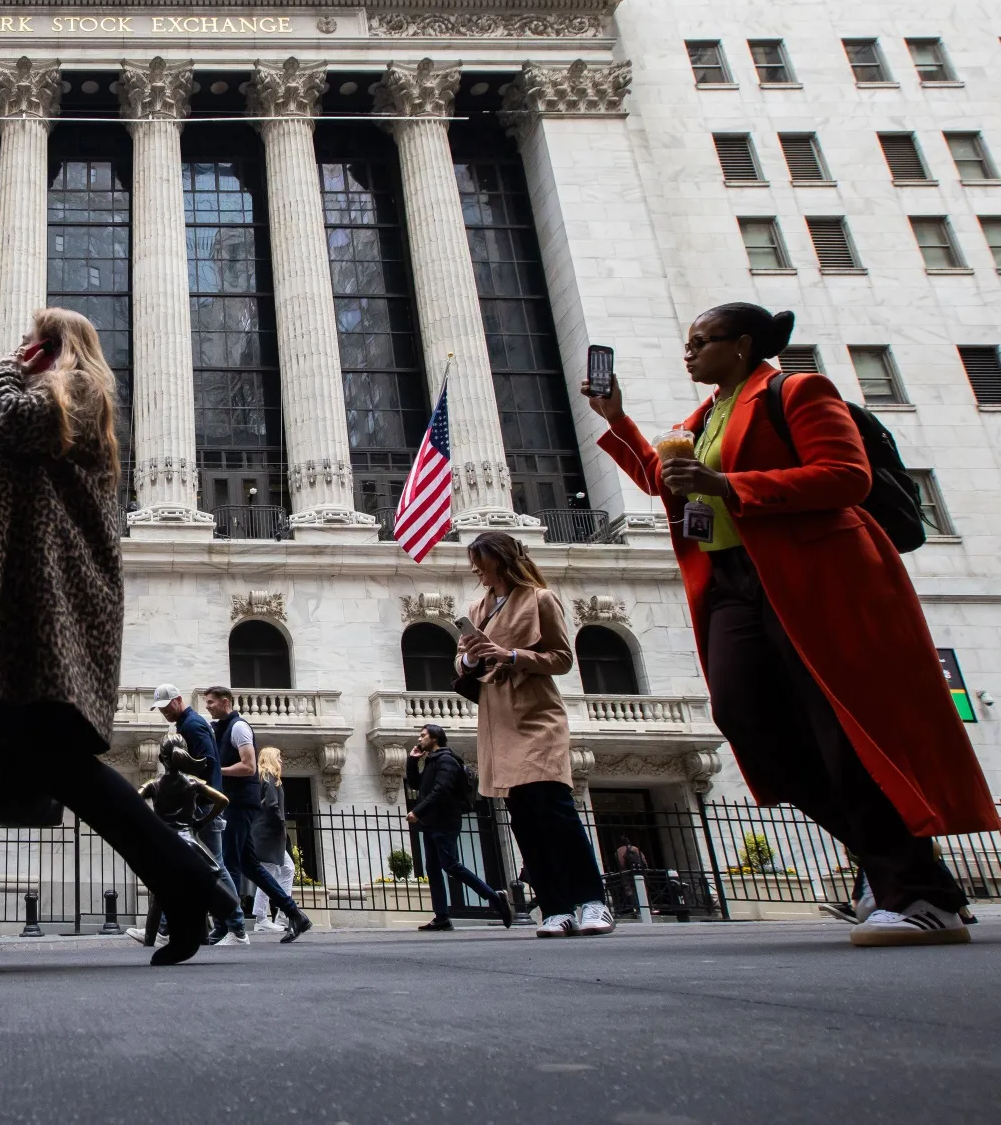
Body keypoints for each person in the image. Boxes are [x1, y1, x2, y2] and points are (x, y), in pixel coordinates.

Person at [587, 302, 998, 945]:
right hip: (731, 583)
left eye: (702, 341)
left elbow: (847, 476)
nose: (689, 351)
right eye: (689, 342)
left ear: (743, 344)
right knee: (747, 719)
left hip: (811, 576)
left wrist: (728, 485)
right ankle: (901, 868)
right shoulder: (704, 415)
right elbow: (665, 484)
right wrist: (618, 422)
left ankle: (917, 893)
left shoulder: (797, 390)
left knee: (837, 728)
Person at [0, 308, 233, 974]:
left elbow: (8, 421)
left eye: (38, 342)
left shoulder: (73, 396)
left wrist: (12, 371)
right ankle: (184, 884)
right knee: (0, 758)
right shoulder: (42, 403)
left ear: (63, 349)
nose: (23, 350)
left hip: (34, 616)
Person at [458, 532, 613, 939]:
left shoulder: (540, 599)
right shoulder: (478, 607)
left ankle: (592, 900)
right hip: (497, 717)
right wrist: (473, 655)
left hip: (536, 712)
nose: (476, 568)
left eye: (481, 560)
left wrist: (511, 655)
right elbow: (462, 663)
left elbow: (562, 658)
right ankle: (556, 907)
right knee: (523, 816)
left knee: (554, 807)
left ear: (500, 559)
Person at [205, 686, 311, 943]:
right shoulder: (222, 728)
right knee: (249, 865)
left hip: (239, 804)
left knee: (228, 864)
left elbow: (249, 766)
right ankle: (295, 915)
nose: (207, 706)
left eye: (211, 702)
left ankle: (232, 928)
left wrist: (218, 771)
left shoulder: (239, 728)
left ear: (225, 702)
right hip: (234, 802)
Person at [149, 682, 241, 939]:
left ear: (178, 700)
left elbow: (207, 763)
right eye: (161, 709)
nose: (164, 712)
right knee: (201, 866)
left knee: (215, 866)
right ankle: (221, 927)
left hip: (203, 806)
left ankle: (236, 926)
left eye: (167, 706)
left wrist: (187, 790)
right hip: (202, 804)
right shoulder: (188, 724)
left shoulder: (191, 725)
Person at [127, 732, 231, 947]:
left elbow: (132, 802)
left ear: (161, 759)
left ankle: (149, 939)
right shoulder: (193, 783)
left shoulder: (153, 785)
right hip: (189, 843)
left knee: (159, 895)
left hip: (163, 845)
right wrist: (203, 820)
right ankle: (202, 936)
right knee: (196, 890)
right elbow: (222, 800)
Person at [404, 723, 512, 931]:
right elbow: (417, 785)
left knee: (450, 865)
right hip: (431, 823)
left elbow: (441, 790)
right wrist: (412, 760)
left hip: (444, 821)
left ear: (435, 738)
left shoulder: (446, 760)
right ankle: (442, 917)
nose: (419, 739)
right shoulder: (431, 761)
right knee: (433, 869)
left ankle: (494, 896)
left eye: (423, 735)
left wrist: (418, 811)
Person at [249, 746, 310, 941]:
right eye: (279, 757)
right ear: (271, 759)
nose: (282, 761)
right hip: (270, 833)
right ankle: (267, 917)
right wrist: (282, 824)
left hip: (266, 832)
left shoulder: (262, 777)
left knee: (284, 869)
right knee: (272, 871)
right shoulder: (269, 776)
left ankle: (280, 915)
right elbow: (272, 805)